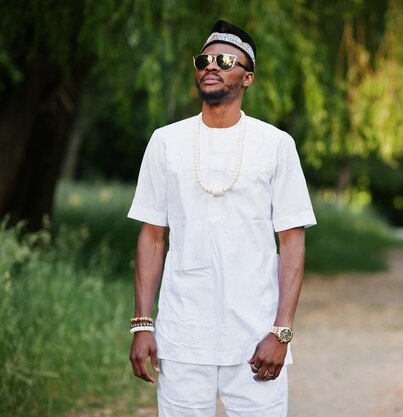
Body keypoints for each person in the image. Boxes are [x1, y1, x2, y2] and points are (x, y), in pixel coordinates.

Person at [127, 19, 316, 417]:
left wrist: (281, 332)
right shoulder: (166, 142)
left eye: (225, 60)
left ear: (247, 77)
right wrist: (143, 324)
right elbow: (152, 237)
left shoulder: (276, 145)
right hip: (182, 337)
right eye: (204, 59)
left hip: (254, 338)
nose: (211, 66)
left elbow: (292, 242)